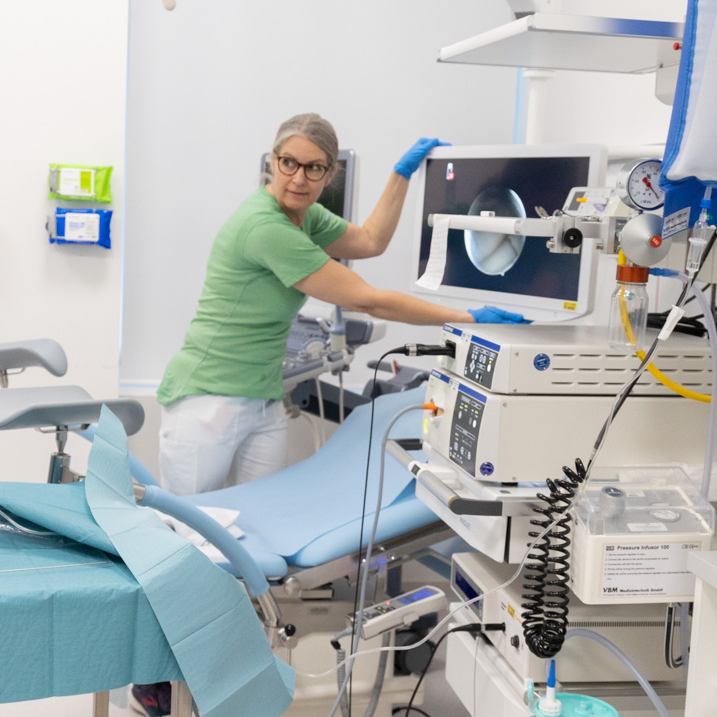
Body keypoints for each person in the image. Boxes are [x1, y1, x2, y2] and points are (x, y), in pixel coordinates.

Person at [154, 113, 527, 497]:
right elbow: (369, 301)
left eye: (313, 168)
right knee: (186, 523)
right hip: (208, 401)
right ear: (272, 161)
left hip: (263, 399)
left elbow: (369, 241)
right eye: (289, 163)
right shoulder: (266, 227)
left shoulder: (304, 216)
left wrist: (401, 174)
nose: (298, 179)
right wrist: (467, 318)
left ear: (330, 174)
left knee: (259, 517)